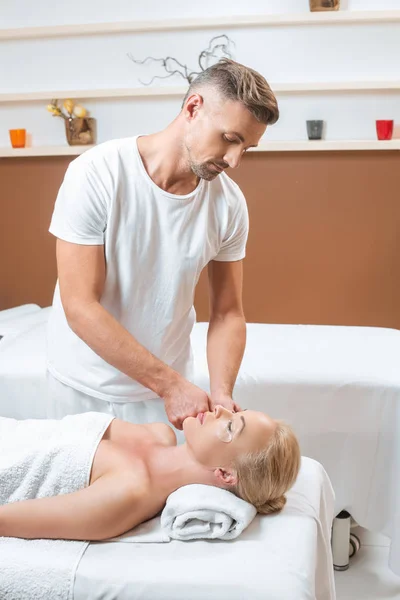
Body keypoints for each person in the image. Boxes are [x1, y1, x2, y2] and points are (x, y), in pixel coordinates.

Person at [46, 58, 279, 431]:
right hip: (84, 387)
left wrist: (220, 391)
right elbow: (79, 306)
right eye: (231, 139)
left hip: (163, 397)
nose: (235, 160)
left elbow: (227, 313)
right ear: (192, 108)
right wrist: (170, 385)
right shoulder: (97, 174)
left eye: (246, 149)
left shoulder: (229, 204)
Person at [0, 406, 300, 542]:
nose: (221, 409)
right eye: (235, 412)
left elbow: (8, 520)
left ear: (224, 474)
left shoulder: (128, 495)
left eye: (232, 426)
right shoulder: (160, 434)